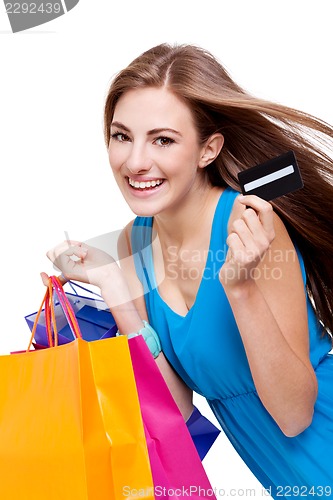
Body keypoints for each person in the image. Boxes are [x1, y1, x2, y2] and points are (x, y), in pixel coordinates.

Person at [43, 44, 333, 498]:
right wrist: (116, 289)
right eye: (122, 136)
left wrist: (240, 289)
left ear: (207, 149)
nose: (135, 161)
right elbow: (174, 410)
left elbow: (294, 414)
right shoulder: (133, 243)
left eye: (162, 139)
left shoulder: (250, 224)